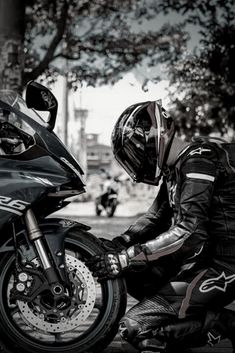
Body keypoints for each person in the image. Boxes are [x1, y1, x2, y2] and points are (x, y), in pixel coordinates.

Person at [87, 100, 235, 353]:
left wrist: (125, 257)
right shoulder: (174, 170)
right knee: (131, 273)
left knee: (135, 327)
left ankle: (226, 323)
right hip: (203, 261)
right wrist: (114, 245)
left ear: (151, 137)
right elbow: (154, 219)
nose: (135, 160)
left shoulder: (198, 161)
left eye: (134, 150)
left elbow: (187, 233)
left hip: (225, 265)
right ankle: (185, 322)